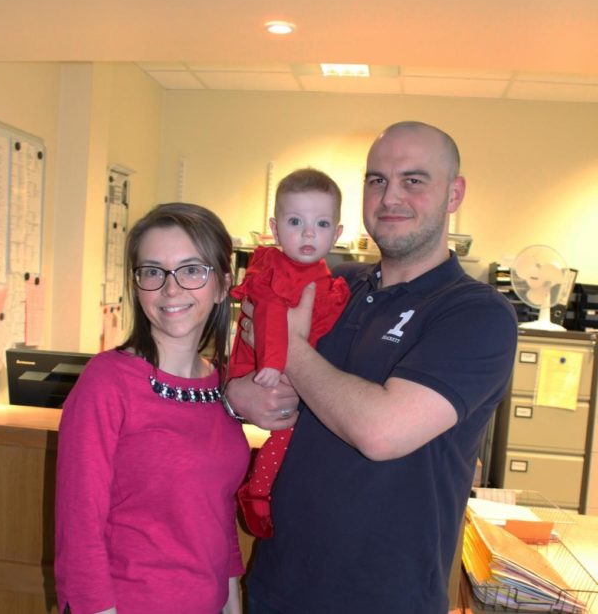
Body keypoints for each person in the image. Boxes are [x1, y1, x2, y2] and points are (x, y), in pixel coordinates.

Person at [225, 122, 518, 614]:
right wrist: (237, 396)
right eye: (376, 180)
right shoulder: (334, 284)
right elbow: (242, 355)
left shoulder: (476, 314)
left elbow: (382, 432)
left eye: (414, 180)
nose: (390, 196)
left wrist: (289, 349)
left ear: (454, 193)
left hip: (383, 598)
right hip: (278, 583)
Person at [55, 203, 249, 614]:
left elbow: (217, 515)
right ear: (137, 284)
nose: (171, 289)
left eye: (192, 269)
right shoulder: (107, 382)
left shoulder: (222, 385)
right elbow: (79, 527)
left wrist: (232, 606)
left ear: (222, 286)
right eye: (153, 271)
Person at [228, 168, 350, 538]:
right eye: (296, 221)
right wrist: (273, 363)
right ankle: (257, 491)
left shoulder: (325, 279)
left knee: (292, 432)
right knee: (285, 430)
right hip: (261, 367)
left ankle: (263, 490)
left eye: (322, 223)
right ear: (275, 228)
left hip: (287, 374)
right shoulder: (275, 270)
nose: (309, 232)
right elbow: (267, 316)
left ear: (338, 233)